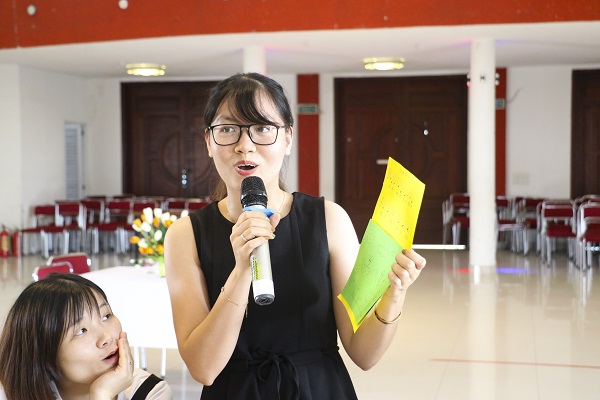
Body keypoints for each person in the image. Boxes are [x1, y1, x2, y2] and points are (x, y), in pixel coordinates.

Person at [164, 72, 426, 400]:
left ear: (287, 138)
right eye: (228, 129)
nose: (245, 146)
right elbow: (203, 368)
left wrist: (394, 294)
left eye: (262, 128)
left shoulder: (329, 220)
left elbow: (363, 354)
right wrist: (243, 270)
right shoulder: (185, 236)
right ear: (208, 141)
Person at [0, 273, 172, 400]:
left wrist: (102, 394)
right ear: (44, 353)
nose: (106, 337)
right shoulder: (10, 393)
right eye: (81, 331)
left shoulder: (150, 393)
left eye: (106, 316)